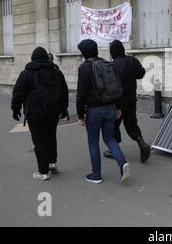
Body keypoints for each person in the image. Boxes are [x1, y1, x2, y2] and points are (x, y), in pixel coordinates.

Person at [76, 39, 130, 184]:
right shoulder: (107, 64)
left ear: (84, 52)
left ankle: (96, 175)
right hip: (111, 107)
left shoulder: (84, 68)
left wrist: (80, 114)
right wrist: (117, 107)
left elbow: (81, 94)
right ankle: (122, 162)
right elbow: (116, 87)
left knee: (93, 141)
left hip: (94, 110)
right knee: (109, 138)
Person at [11, 47, 69, 181]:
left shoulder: (26, 73)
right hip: (53, 111)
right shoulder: (56, 72)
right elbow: (64, 92)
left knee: (39, 140)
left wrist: (15, 110)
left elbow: (18, 93)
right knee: (51, 136)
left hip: (35, 113)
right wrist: (63, 109)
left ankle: (43, 172)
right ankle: (52, 163)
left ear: (33, 58)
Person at [104, 39, 150, 163]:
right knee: (131, 123)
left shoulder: (111, 66)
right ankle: (142, 143)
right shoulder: (132, 60)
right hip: (131, 99)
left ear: (113, 52)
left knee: (113, 125)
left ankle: (114, 149)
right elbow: (141, 74)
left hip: (117, 102)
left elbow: (109, 86)